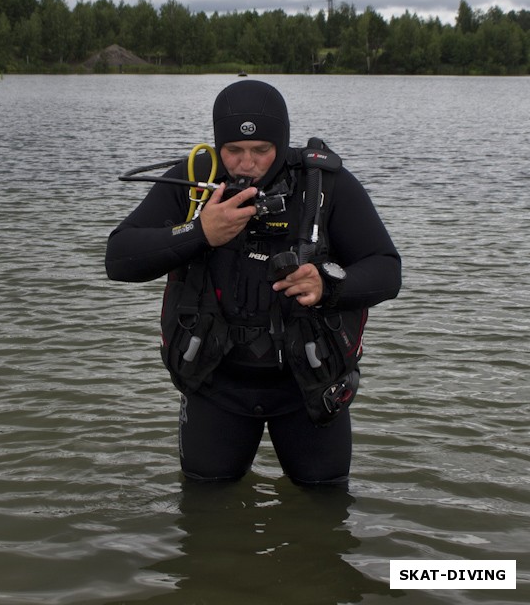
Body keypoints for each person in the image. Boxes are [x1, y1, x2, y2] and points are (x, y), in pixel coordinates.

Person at [106, 80, 401, 486]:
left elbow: (386, 269)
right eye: (234, 151)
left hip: (309, 384)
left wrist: (328, 283)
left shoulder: (323, 185)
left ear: (282, 142)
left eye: (262, 150)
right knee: (204, 514)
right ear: (217, 144)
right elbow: (119, 258)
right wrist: (199, 232)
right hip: (215, 382)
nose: (247, 164)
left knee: (325, 506)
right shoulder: (195, 181)